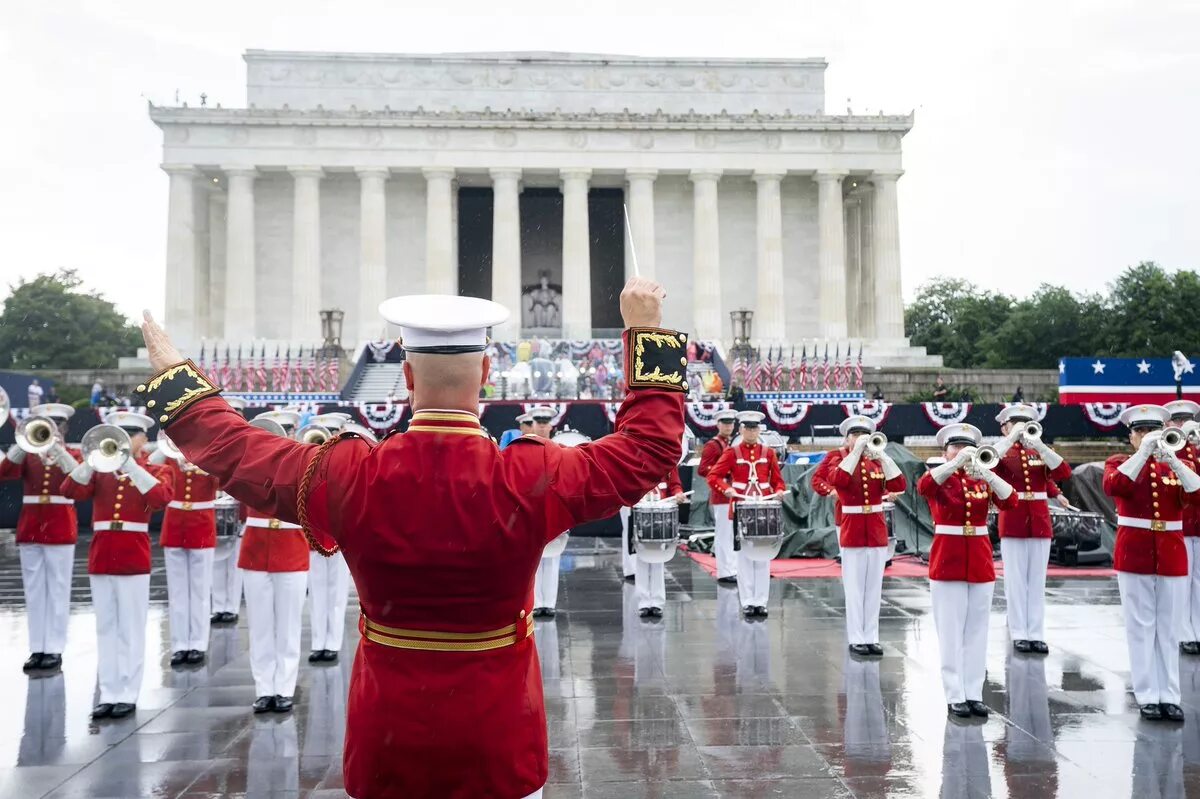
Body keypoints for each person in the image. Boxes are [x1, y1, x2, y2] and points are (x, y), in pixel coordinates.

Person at [134, 276, 686, 799]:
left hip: (387, 733)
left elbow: (235, 453)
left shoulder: (350, 473)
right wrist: (647, 331)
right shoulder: (532, 476)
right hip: (497, 734)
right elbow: (650, 450)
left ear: (407, 376)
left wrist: (178, 382)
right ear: (487, 372)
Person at [61, 411, 173, 720]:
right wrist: (94, 459)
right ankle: (109, 692)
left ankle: (128, 693)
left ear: (143, 438)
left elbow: (161, 496)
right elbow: (70, 490)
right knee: (107, 627)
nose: (124, 438)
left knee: (131, 629)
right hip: (102, 553)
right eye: (119, 432)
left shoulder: (154, 470)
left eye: (130, 433)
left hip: (133, 555)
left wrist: (131, 464)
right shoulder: (101, 472)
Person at [1103, 404, 1200, 722]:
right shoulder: (1120, 463)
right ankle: (1147, 695)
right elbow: (1115, 486)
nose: (1147, 437)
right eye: (1140, 432)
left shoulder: (1178, 464)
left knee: (1169, 628)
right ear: (1130, 437)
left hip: (1171, 553)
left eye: (1151, 431)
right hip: (1135, 553)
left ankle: (1169, 695)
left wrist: (1174, 459)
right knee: (1141, 627)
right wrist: (1144, 453)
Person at [917, 423, 1017, 719]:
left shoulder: (981, 478)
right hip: (948, 558)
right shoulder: (941, 477)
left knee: (977, 631)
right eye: (954, 447)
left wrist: (987, 473)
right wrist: (955, 463)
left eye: (965, 447)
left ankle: (973, 692)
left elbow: (1010, 500)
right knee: (951, 631)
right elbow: (924, 486)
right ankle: (954, 694)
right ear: (944, 451)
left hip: (980, 560)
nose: (961, 451)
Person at [812, 416, 907, 656]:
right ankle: (857, 637)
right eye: (855, 435)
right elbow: (838, 480)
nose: (860, 439)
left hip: (875, 528)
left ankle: (871, 636)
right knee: (854, 586)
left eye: (863, 435)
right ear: (847, 438)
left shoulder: (876, 461)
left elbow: (899, 484)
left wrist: (883, 457)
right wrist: (854, 453)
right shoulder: (840, 459)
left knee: (874, 587)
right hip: (851, 525)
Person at [237, 408, 309, 714]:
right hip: (256, 551)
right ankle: (264, 688)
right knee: (261, 626)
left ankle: (284, 688)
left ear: (293, 433)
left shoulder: (303, 463)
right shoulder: (251, 467)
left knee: (288, 625)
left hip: (291, 550)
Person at [0, 403, 79, 672]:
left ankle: (55, 648)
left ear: (63, 429)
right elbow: (5, 471)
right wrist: (24, 442)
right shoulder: (30, 456)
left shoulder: (72, 453)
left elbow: (78, 477)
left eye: (55, 427)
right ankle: (37, 648)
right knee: (34, 592)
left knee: (57, 590)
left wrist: (57, 449)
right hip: (31, 527)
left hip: (59, 528)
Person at [991, 404, 1073, 654]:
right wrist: (1011, 438)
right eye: (1015, 424)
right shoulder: (1002, 451)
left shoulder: (1039, 450)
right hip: (1014, 518)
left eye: (1024, 423)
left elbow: (1061, 472)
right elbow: (988, 467)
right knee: (1016, 580)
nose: (1020, 428)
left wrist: (1039, 445)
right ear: (1005, 427)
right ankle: (1019, 632)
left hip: (1038, 521)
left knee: (1036, 581)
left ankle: (1036, 632)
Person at [705, 410, 787, 618]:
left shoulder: (768, 453)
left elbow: (778, 479)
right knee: (744, 557)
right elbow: (714, 476)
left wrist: (778, 491)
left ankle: (761, 601)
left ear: (759, 430)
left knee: (763, 556)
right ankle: (748, 601)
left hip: (764, 507)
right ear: (741, 430)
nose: (751, 432)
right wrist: (727, 489)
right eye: (748, 428)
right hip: (742, 506)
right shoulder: (732, 453)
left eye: (754, 428)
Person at [150, 434, 221, 667]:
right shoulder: (170, 453)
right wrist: (169, 445)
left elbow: (223, 481)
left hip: (201, 524)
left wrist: (205, 464)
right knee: (178, 591)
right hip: (175, 524)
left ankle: (198, 644)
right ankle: (180, 644)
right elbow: (151, 461)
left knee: (199, 590)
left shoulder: (209, 455)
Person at [305, 412, 355, 664]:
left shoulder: (346, 464)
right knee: (317, 591)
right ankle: (318, 642)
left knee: (335, 592)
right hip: (315, 536)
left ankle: (332, 641)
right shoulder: (308, 466)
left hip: (336, 536)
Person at [1165, 400, 1200, 655]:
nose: (1182, 425)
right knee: (1183, 583)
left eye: (1186, 420)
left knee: (1198, 582)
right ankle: (1183, 633)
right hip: (1182, 523)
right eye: (1177, 421)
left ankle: (1197, 630)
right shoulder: (1168, 446)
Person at [211, 396, 249, 624]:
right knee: (217, 561)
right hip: (216, 505)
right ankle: (219, 605)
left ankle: (231, 606)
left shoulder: (246, 444)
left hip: (239, 509)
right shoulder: (212, 443)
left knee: (235, 562)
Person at [631, 466, 687, 618]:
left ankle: (657, 602)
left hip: (660, 512)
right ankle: (643, 602)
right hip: (640, 510)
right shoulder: (634, 456)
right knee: (641, 557)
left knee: (658, 559)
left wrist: (678, 493)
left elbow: (675, 484)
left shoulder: (668, 458)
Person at [529, 406, 566, 617]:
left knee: (552, 559)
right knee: (532, 560)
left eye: (545, 423)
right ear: (533, 424)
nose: (542, 427)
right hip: (533, 508)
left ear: (551, 426)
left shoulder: (560, 449)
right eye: (538, 423)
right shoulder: (524, 448)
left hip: (553, 508)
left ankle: (548, 602)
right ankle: (534, 602)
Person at [697, 409, 738, 584]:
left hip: (735, 493)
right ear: (718, 424)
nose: (728, 426)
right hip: (721, 495)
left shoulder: (734, 443)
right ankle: (725, 570)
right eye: (725, 423)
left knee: (733, 534)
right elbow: (702, 469)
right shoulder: (712, 446)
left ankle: (733, 568)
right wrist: (724, 471)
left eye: (730, 423)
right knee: (724, 534)